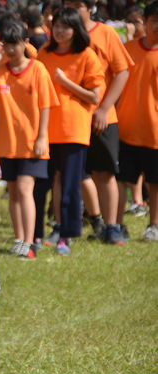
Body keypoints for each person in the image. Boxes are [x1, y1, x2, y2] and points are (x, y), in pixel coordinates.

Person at [0, 22, 59, 260]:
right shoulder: (0, 69)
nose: (11, 49)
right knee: (14, 192)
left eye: (15, 44)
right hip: (8, 143)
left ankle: (30, 241)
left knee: (26, 190)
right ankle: (19, 239)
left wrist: (42, 136)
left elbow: (46, 105)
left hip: (31, 143)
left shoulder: (38, 69)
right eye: (6, 44)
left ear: (25, 43)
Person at [64, 0, 134, 246]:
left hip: (102, 118)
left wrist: (105, 108)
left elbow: (122, 71)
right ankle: (84, 224)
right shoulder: (62, 36)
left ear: (91, 6)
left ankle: (113, 227)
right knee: (76, 174)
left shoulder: (106, 33)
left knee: (104, 174)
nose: (72, 7)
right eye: (68, 3)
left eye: (78, 4)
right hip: (69, 119)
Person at [36, 7, 103, 255]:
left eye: (66, 26)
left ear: (77, 30)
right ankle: (41, 232)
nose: (60, 31)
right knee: (45, 184)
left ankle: (67, 234)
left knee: (71, 185)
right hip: (44, 129)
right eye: (57, 26)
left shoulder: (87, 55)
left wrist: (66, 82)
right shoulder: (44, 52)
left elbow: (94, 96)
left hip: (74, 129)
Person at [116, 0, 158, 242]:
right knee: (121, 179)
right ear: (145, 21)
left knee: (154, 182)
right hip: (125, 128)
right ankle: (118, 224)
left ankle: (154, 225)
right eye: (154, 21)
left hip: (154, 133)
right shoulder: (128, 48)